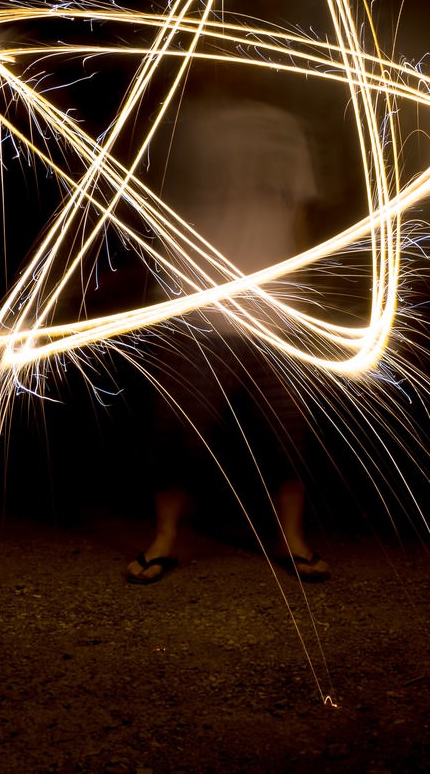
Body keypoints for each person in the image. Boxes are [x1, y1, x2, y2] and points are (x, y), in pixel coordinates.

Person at [125, 91, 332, 584]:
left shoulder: (286, 125)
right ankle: (166, 538)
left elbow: (299, 216)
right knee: (178, 433)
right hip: (195, 305)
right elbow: (147, 206)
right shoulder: (185, 121)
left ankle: (292, 538)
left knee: (289, 433)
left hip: (273, 310)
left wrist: (299, 295)